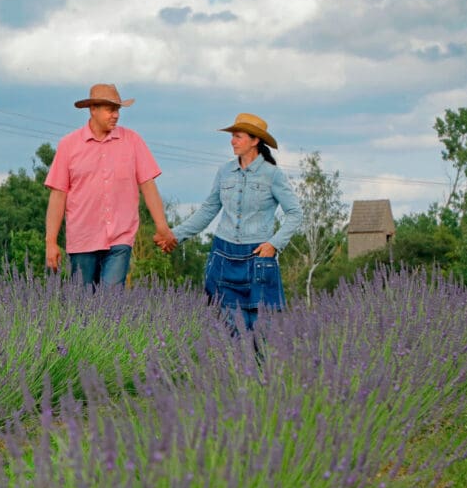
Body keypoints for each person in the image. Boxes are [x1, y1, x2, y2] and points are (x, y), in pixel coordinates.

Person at [155, 113, 302, 331]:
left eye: (238, 136)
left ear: (255, 140)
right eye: (232, 136)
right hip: (223, 255)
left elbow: (295, 213)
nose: (232, 141)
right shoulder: (224, 172)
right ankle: (234, 366)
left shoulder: (273, 175)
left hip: (258, 256)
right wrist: (174, 234)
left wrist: (274, 244)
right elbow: (208, 210)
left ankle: (262, 367)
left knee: (261, 329)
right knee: (228, 329)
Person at [44, 83, 172, 287]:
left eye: (118, 110)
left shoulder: (132, 141)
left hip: (120, 237)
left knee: (110, 300)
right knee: (83, 307)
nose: (116, 115)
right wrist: (50, 242)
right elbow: (58, 195)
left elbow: (148, 185)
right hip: (82, 238)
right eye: (110, 109)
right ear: (92, 109)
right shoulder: (69, 145)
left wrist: (162, 226)